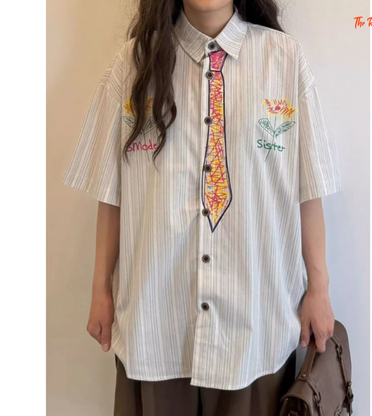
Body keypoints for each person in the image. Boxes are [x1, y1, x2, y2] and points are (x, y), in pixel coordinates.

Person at [62, 0, 342, 415]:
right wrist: (100, 288)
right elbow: (112, 192)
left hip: (256, 324)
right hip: (156, 321)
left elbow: (308, 187)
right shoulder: (133, 65)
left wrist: (319, 288)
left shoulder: (285, 61)